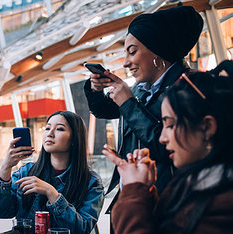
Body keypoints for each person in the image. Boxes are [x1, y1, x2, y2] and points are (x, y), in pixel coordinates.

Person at [104, 71, 233, 234]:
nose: (162, 138)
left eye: (170, 125)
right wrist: (147, 192)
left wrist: (134, 194)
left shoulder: (223, 207)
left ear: (207, 127)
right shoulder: (194, 184)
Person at [84, 5, 203, 195]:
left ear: (157, 51)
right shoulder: (140, 91)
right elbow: (103, 110)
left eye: (132, 51)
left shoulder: (190, 88)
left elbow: (170, 147)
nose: (125, 62)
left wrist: (128, 104)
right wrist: (95, 89)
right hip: (133, 193)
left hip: (167, 200)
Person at [0, 111, 104, 234]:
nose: (50, 133)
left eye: (59, 129)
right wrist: (5, 168)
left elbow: (80, 231)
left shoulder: (91, 182)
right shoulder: (26, 171)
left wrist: (52, 193)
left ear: (74, 139)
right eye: (47, 128)